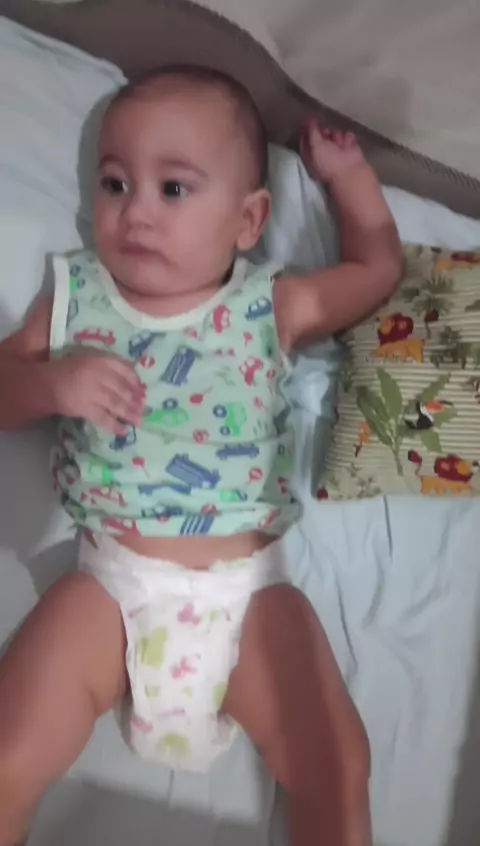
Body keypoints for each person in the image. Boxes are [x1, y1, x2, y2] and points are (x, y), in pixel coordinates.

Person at [0, 66, 401, 846]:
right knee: (8, 748)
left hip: (249, 597)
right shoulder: (76, 297)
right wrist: (51, 385)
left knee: (338, 763)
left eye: (174, 188)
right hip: (110, 586)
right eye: (114, 184)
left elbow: (377, 274)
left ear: (249, 220)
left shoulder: (269, 305)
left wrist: (350, 178)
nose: (136, 211)